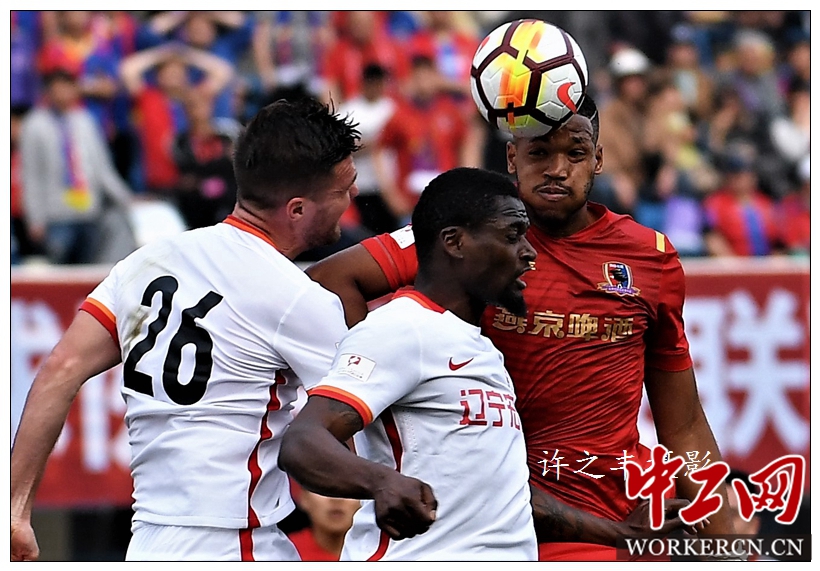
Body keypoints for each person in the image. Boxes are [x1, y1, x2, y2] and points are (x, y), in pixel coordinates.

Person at [306, 96, 735, 561]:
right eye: (539, 153)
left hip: (609, 525)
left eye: (575, 153)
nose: (557, 169)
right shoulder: (478, 234)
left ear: (598, 159)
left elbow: (684, 425)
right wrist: (377, 391)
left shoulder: (649, 256)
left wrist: (727, 547)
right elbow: (332, 279)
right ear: (512, 157)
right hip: (491, 524)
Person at [11, 97, 361, 562]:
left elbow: (60, 368)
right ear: (297, 209)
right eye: (345, 188)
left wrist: (15, 510)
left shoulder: (146, 262)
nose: (353, 197)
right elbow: (364, 418)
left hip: (149, 541)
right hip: (235, 542)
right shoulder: (296, 298)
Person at [280, 168, 539, 560]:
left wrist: (618, 533)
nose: (529, 252)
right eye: (512, 235)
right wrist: (381, 482)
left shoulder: (480, 346)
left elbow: (501, 496)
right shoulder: (403, 328)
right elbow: (302, 442)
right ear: (455, 242)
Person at [20, 68, 134, 265]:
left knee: (89, 268)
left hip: (88, 211)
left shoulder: (85, 121)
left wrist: (127, 199)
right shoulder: (35, 124)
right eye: (57, 89)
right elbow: (31, 175)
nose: (63, 94)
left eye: (67, 88)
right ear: (47, 92)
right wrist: (35, 218)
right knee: (59, 271)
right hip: (56, 214)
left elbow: (102, 168)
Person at [287, 488, 362, 561]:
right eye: (323, 490)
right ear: (304, 498)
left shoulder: (369, 554)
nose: (336, 499)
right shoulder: (285, 552)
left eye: (348, 490)